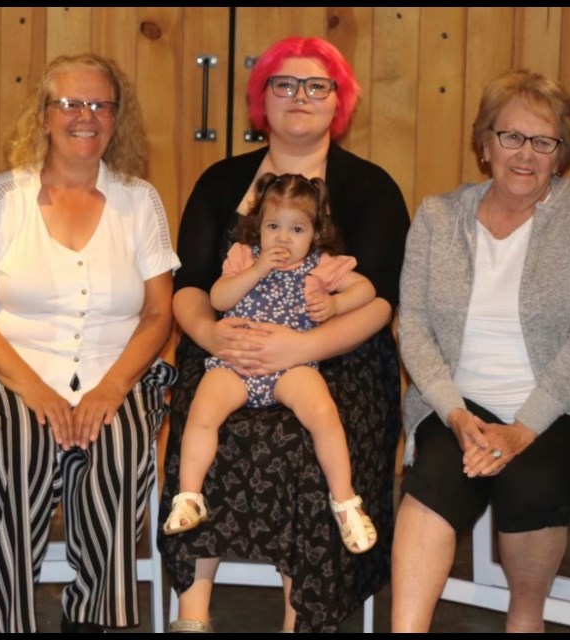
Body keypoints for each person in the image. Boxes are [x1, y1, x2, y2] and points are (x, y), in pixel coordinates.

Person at [158, 36, 409, 633]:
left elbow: (379, 299)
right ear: (261, 99)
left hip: (337, 356)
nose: (300, 97)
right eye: (284, 84)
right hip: (232, 347)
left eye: (317, 86)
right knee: (205, 417)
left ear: (338, 102)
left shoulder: (371, 188)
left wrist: (304, 347)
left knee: (306, 441)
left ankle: (303, 617)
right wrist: (213, 340)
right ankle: (193, 616)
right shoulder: (221, 183)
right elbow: (191, 287)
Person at [391, 70, 570, 632]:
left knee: (529, 483)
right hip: (460, 404)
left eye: (543, 141)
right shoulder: (437, 217)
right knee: (432, 478)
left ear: (560, 153)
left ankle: (524, 620)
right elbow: (416, 329)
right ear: (485, 144)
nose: (525, 154)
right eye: (511, 137)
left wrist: (522, 430)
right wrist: (455, 415)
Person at [0, 53, 179, 634]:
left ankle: (94, 618)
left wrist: (112, 388)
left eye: (100, 104)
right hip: (9, 375)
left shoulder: (140, 201)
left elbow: (158, 313)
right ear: (44, 117)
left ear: (116, 117)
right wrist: (35, 390)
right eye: (71, 103)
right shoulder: (2, 197)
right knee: (27, 446)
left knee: (121, 443)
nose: (87, 116)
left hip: (115, 372)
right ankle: (18, 618)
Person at [163, 172, 378, 556]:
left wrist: (336, 304)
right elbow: (218, 297)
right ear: (257, 226)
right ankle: (190, 496)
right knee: (203, 409)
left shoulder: (321, 266)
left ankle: (345, 501)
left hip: (291, 365)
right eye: (273, 226)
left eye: (297, 229)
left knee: (322, 411)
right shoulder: (244, 257)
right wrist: (256, 270)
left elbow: (367, 289)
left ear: (315, 233)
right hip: (237, 363)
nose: (283, 238)